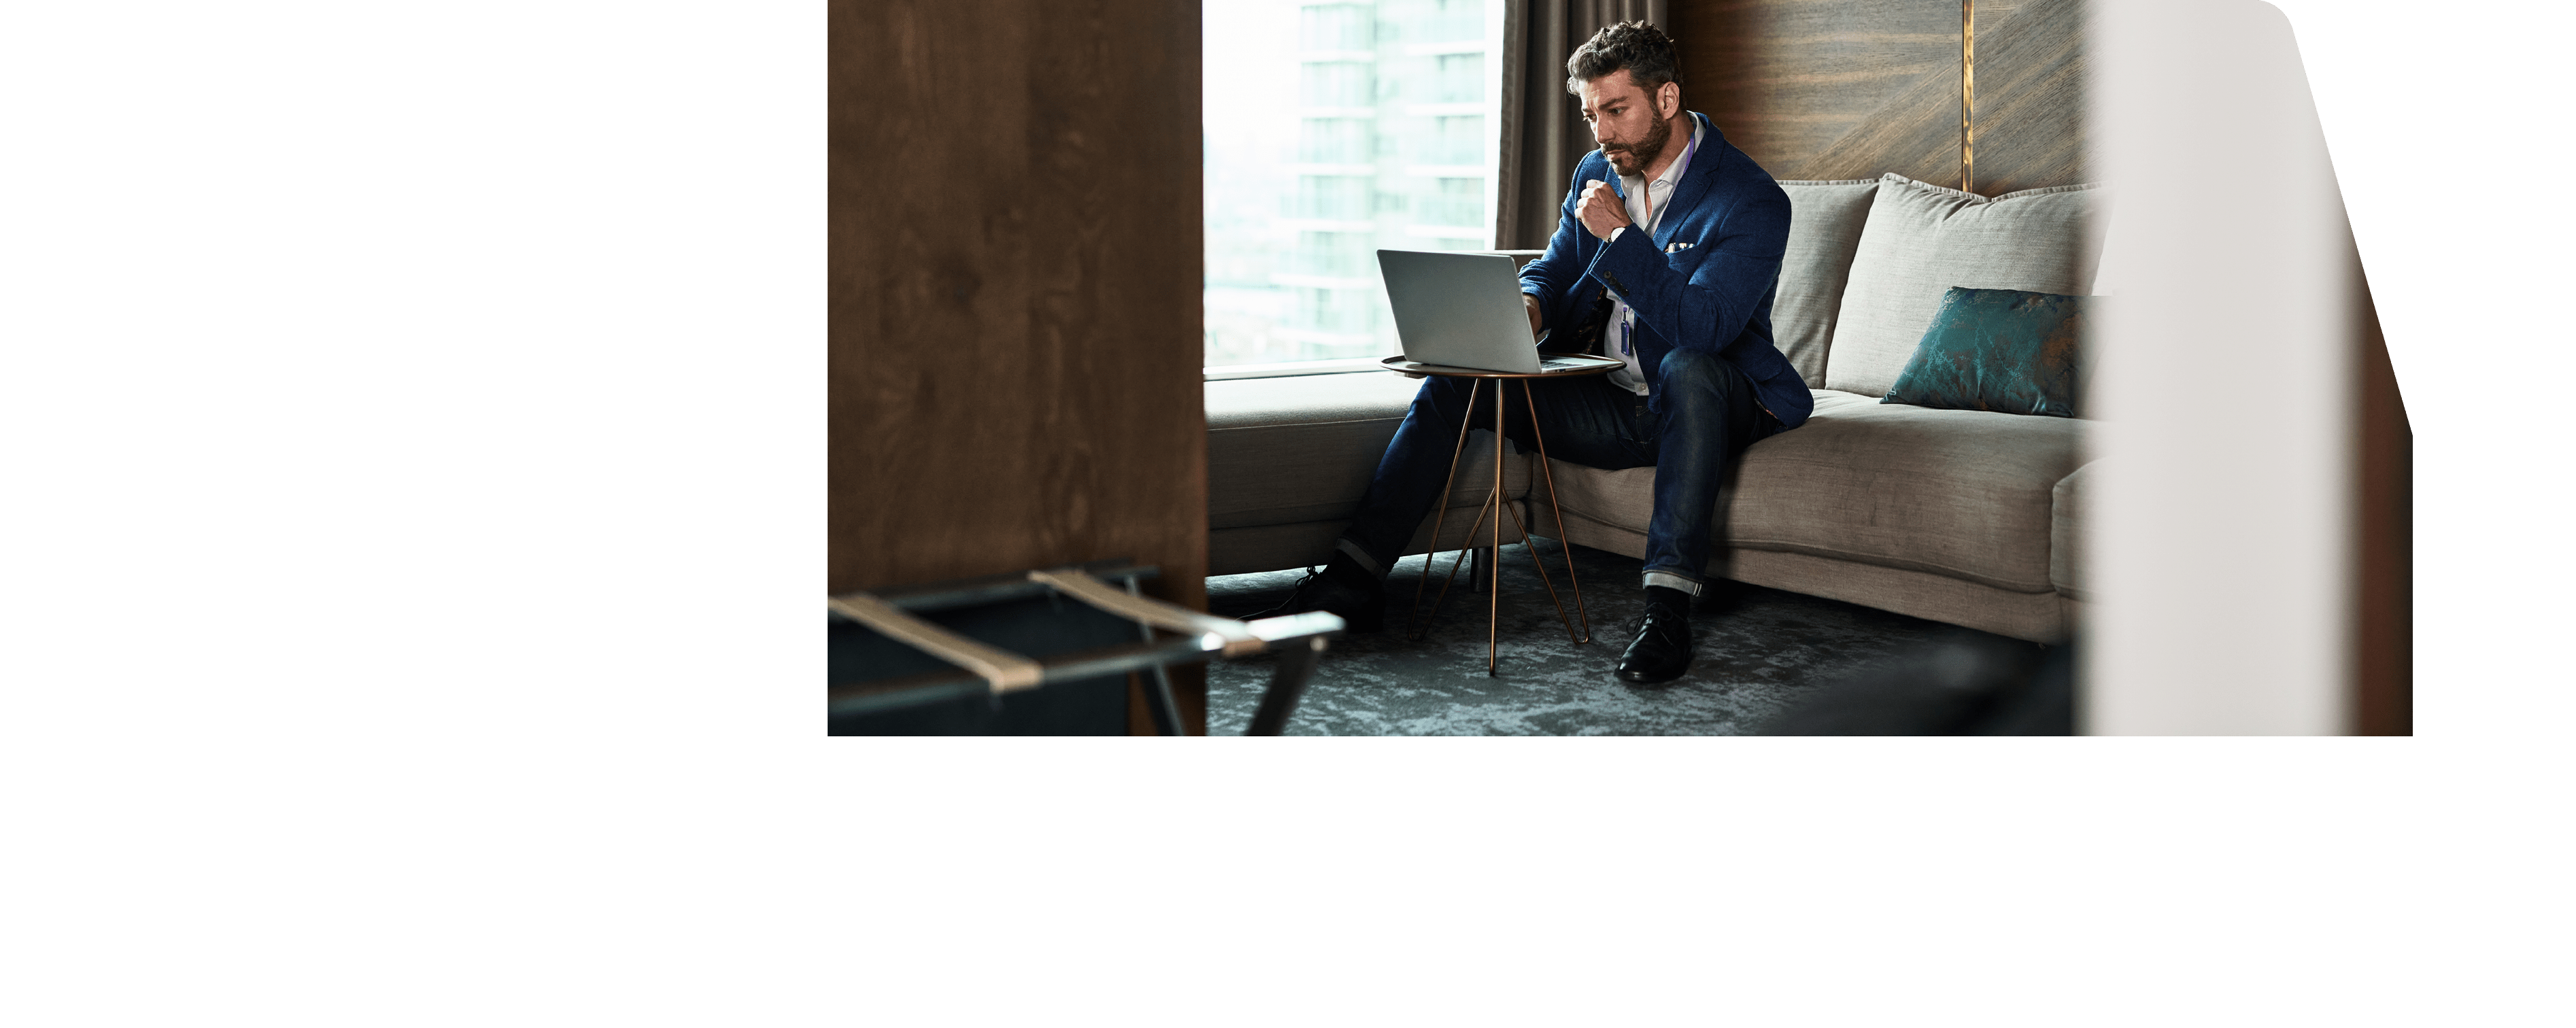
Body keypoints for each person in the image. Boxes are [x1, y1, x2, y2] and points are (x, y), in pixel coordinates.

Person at [1259, 20, 1810, 684]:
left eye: (1614, 111)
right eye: (1588, 114)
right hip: (1610, 400)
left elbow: (1704, 328)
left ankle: (1667, 612)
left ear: (1665, 101)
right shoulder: (1595, 171)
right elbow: (1551, 269)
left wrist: (1620, 237)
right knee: (1453, 383)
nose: (1600, 133)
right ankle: (1352, 580)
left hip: (1714, 400)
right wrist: (1527, 308)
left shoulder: (1748, 200)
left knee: (1689, 369)